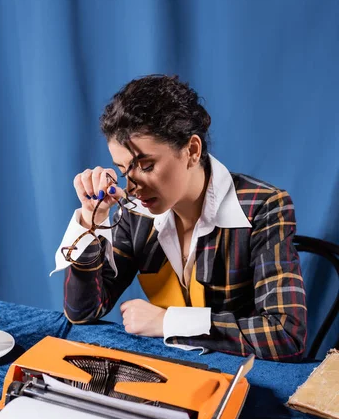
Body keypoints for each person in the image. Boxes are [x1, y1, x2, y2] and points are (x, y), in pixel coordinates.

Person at [52, 75, 307, 361]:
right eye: (123, 169)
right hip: (168, 372)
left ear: (192, 150)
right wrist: (91, 221)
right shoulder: (136, 212)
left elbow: (286, 335)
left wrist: (168, 323)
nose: (133, 187)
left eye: (146, 166)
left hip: (242, 379)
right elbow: (83, 312)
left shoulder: (263, 207)